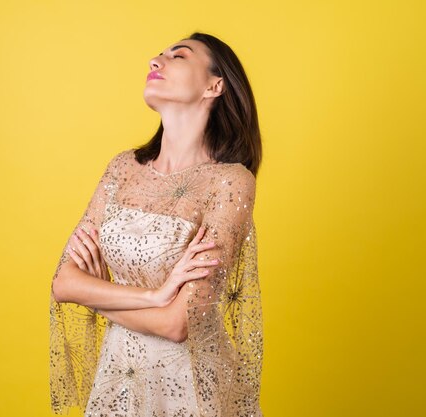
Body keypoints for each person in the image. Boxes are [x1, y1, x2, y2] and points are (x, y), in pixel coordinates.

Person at [49, 32, 264, 417]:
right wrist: (156, 294)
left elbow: (178, 323)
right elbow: (63, 282)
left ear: (215, 85)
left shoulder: (230, 182)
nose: (155, 61)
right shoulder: (121, 168)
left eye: (178, 56)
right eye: (158, 55)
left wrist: (98, 293)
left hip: (190, 387)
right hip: (119, 378)